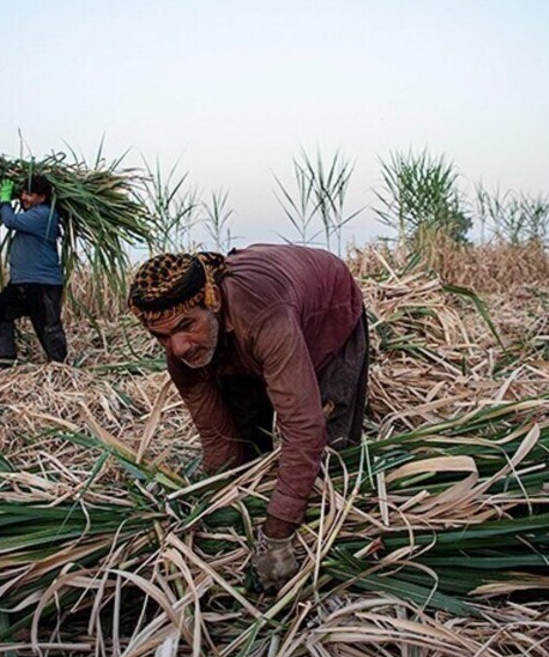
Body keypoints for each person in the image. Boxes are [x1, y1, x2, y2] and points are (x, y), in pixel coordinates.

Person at [128, 244, 370, 591]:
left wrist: (276, 536)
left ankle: (328, 551)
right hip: (245, 336)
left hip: (326, 309)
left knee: (330, 447)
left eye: (186, 326)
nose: (178, 347)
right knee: (247, 435)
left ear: (211, 300)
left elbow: (304, 429)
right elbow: (218, 437)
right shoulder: (183, 351)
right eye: (162, 336)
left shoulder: (265, 315)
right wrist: (217, 503)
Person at [0, 174, 68, 366]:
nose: (24, 197)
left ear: (42, 197)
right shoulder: (33, 214)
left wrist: (4, 200)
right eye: (23, 192)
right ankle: (7, 361)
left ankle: (60, 368)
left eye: (30, 194)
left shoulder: (45, 215)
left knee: (48, 329)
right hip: (21, 283)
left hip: (43, 285)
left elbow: (10, 221)